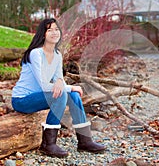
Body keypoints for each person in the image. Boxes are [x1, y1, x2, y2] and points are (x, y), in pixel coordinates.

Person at [11, 18, 106, 158]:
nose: (54, 32)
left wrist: (63, 84)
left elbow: (58, 79)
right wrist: (70, 87)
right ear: (43, 34)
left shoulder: (57, 55)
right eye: (50, 30)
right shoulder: (36, 53)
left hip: (41, 97)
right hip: (22, 100)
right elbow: (44, 84)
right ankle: (48, 145)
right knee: (63, 94)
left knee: (73, 97)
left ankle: (85, 141)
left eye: (56, 29)